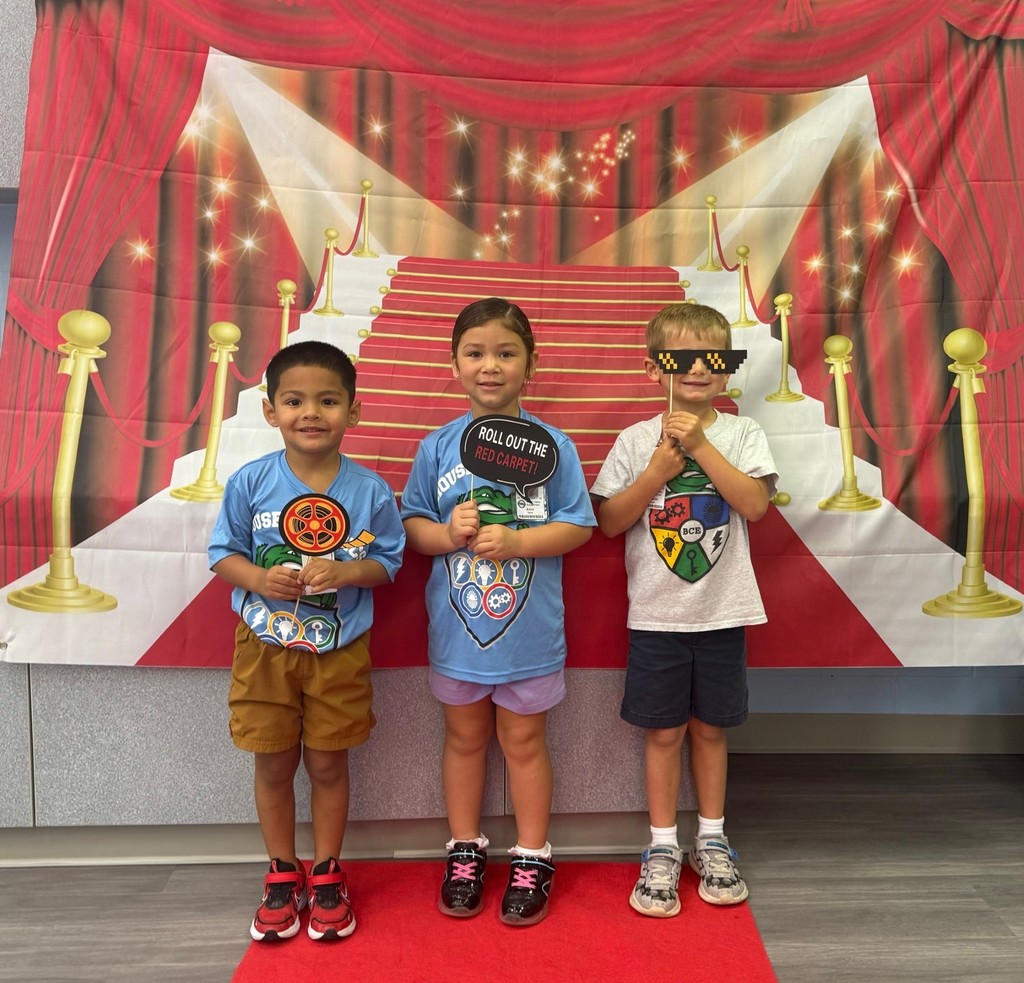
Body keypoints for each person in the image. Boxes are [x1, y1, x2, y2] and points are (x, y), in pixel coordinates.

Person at [401, 298, 595, 926]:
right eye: (475, 353)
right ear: (454, 363)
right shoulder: (435, 448)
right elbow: (411, 527)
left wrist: (518, 541)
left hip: (529, 637)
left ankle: (533, 856)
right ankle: (463, 851)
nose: (491, 366)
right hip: (458, 634)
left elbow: (578, 527)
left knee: (523, 741)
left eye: (506, 353)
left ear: (530, 365)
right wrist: (446, 532)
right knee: (462, 740)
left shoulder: (555, 447)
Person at [208, 340, 404, 942]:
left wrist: (348, 571)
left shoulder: (369, 490)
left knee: (327, 761)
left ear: (354, 410)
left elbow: (389, 562)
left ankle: (326, 871)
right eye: (294, 401)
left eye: (328, 400)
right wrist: (259, 578)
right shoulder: (249, 482)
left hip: (339, 648)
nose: (311, 413)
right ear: (271, 412)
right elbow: (223, 555)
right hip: (263, 647)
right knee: (273, 761)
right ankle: (279, 871)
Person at [590, 303, 777, 918]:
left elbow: (753, 505)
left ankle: (714, 838)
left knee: (711, 729)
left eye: (713, 358)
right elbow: (611, 520)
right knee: (663, 731)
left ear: (727, 371)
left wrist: (700, 446)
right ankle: (663, 846)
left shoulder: (743, 433)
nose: (699, 369)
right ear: (654, 369)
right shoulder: (634, 440)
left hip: (722, 612)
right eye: (683, 358)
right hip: (656, 617)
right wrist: (656, 472)